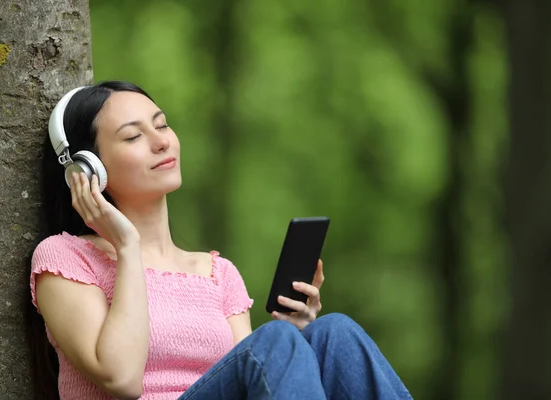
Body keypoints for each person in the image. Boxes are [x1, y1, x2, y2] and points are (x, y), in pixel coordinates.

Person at [26, 81, 413, 400]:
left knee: (333, 332)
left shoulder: (218, 274)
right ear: (86, 169)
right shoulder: (65, 257)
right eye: (133, 137)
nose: (161, 142)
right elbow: (121, 379)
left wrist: (294, 344)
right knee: (275, 341)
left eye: (161, 126)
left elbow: (243, 371)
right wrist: (127, 247)